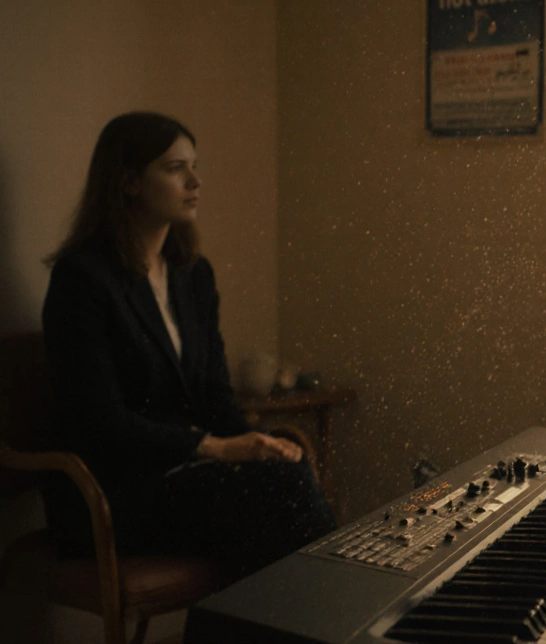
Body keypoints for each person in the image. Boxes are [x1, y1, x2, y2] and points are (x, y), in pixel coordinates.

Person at [42, 111, 335, 576]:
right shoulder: (83, 280)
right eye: (176, 168)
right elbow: (101, 420)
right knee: (282, 499)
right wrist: (214, 448)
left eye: (194, 166)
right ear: (129, 182)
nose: (195, 181)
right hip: (115, 493)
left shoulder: (193, 276)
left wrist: (254, 444)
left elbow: (215, 395)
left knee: (284, 475)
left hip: (187, 479)